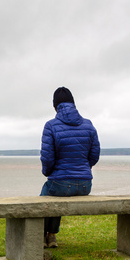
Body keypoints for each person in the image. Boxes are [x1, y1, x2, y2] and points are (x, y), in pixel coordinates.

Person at [40, 87, 100, 248]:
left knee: (46, 196)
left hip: (60, 183)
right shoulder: (88, 124)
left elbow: (47, 158)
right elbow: (94, 155)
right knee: (55, 193)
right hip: (85, 185)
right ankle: (51, 236)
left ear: (55, 107)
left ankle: (42, 236)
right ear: (73, 104)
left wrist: (48, 173)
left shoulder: (51, 126)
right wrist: (83, 169)